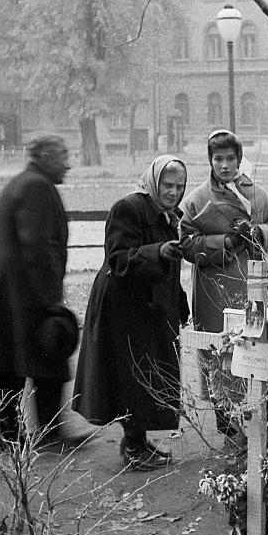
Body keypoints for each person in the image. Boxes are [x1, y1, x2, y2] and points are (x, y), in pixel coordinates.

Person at [0, 134, 85, 449]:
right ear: (44, 156)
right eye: (63, 155)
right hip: (27, 295)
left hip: (13, 292)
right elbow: (38, 247)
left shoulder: (22, 182)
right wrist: (51, 302)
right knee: (45, 356)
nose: (68, 164)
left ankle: (15, 434)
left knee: (11, 364)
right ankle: (40, 433)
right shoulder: (37, 187)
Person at [74, 155, 190, 471]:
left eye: (180, 186)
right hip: (121, 306)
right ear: (154, 181)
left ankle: (138, 441)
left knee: (148, 371)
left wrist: (179, 301)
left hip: (149, 304)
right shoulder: (129, 208)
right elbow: (117, 259)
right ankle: (133, 447)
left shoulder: (169, 216)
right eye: (168, 185)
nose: (173, 192)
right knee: (130, 375)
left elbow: (171, 265)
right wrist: (157, 251)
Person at [180, 130, 268, 443]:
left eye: (230, 158)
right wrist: (221, 242)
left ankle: (266, 427)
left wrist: (258, 233)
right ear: (210, 161)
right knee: (221, 356)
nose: (225, 165)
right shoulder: (199, 199)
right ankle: (229, 429)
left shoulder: (257, 195)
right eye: (218, 159)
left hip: (253, 287)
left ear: (239, 160)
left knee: (258, 351)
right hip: (214, 291)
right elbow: (185, 243)